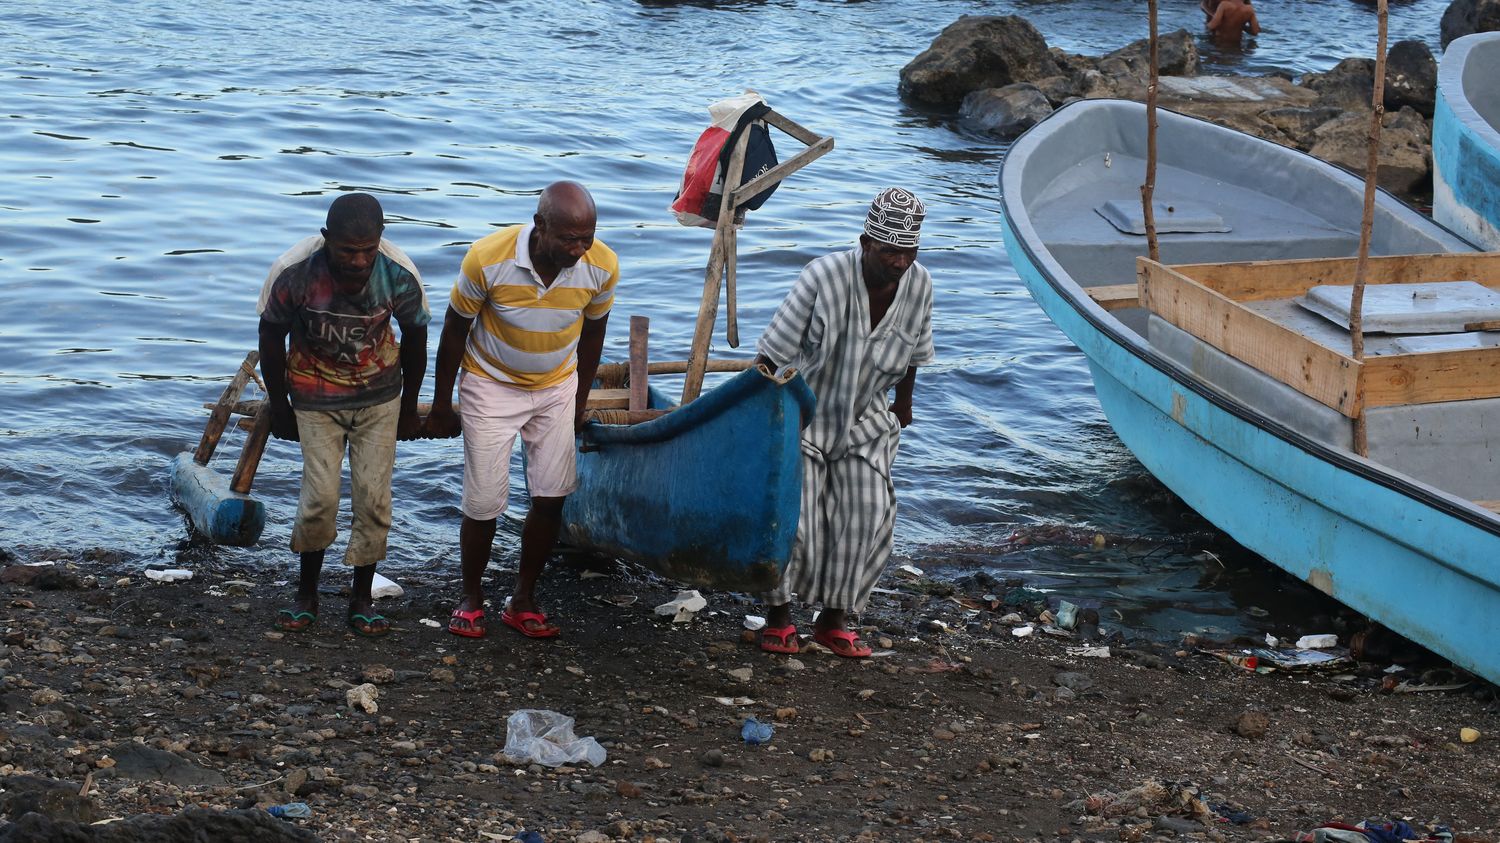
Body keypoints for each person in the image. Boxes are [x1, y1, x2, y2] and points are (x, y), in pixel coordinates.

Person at [426, 181, 616, 640]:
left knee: (551, 495)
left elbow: (593, 336)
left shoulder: (602, 266)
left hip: (556, 385)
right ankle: (470, 597)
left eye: (586, 238)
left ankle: (523, 598)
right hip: (491, 382)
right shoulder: (487, 259)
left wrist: (579, 400)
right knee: (485, 499)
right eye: (569, 239)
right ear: (539, 226)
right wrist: (439, 405)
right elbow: (454, 331)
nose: (578, 249)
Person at [755, 187, 935, 658]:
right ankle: (778, 615)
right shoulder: (823, 276)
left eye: (908, 252)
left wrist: (905, 403)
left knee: (869, 512)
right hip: (806, 413)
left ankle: (833, 619)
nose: (899, 263)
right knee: (799, 520)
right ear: (865, 243)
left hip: (867, 414)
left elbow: (914, 351)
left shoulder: (920, 285)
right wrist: (762, 417)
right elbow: (771, 356)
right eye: (890, 252)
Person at [258, 192, 431, 638]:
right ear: (325, 239)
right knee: (320, 498)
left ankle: (360, 598)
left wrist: (410, 408)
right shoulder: (294, 273)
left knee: (374, 500)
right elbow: (270, 335)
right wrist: (280, 407)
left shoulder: (399, 274)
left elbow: (415, 339)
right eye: (346, 250)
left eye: (367, 251)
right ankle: (307, 595)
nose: (357, 261)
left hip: (379, 396)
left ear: (380, 241)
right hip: (315, 394)